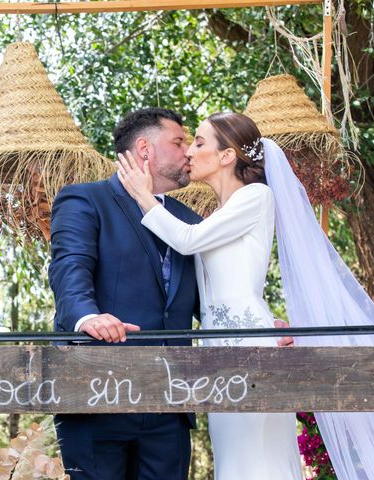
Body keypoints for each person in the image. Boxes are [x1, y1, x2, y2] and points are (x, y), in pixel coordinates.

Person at [115, 111, 374, 479]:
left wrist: (144, 196)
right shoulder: (219, 213)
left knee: (257, 461)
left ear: (226, 156)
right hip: (221, 350)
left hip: (251, 347)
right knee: (234, 460)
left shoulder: (256, 196)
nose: (189, 150)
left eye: (199, 142)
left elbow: (188, 242)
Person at [48, 108, 201, 480]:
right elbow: (70, 267)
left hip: (170, 400)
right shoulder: (85, 200)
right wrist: (88, 317)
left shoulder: (190, 221)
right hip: (97, 393)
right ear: (144, 149)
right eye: (179, 142)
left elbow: (206, 300)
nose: (189, 152)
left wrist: (259, 322)